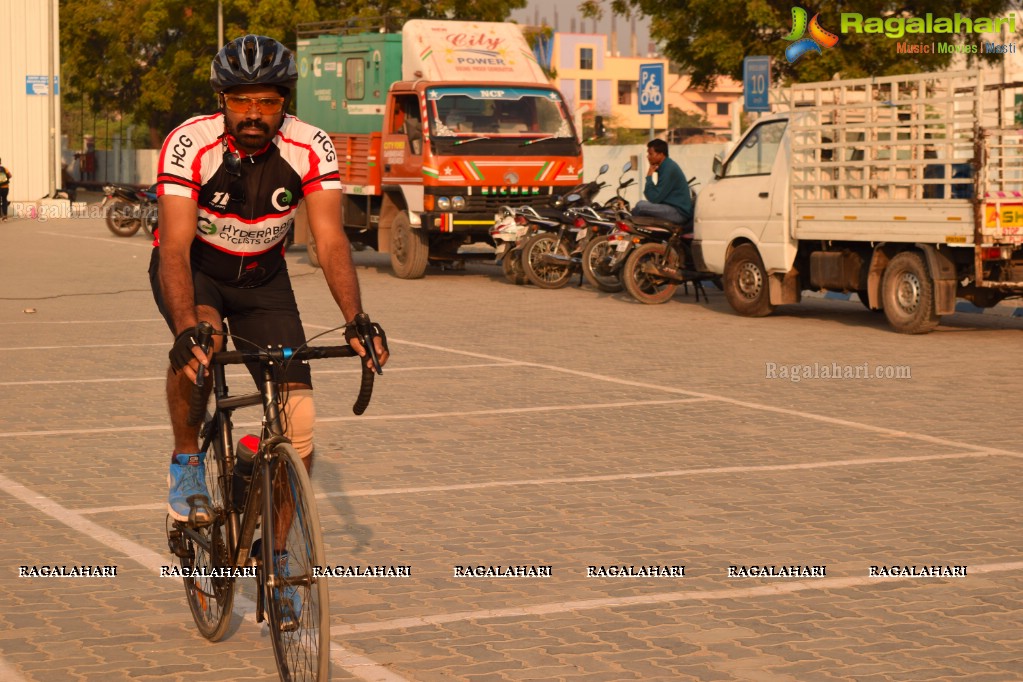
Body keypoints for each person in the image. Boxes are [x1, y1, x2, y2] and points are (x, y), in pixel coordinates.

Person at [150, 35, 389, 528]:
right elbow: (173, 247)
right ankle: (187, 459)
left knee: (298, 424)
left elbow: (330, 240)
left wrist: (354, 319)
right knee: (202, 347)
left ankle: (279, 564)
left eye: (267, 101)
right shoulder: (190, 142)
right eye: (241, 100)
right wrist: (183, 325)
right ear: (222, 101)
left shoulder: (310, 145)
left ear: (285, 103)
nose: (253, 113)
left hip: (264, 280)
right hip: (200, 272)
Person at [632, 138, 692, 226]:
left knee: (640, 206)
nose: (648, 157)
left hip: (678, 213)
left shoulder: (668, 168)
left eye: (650, 154)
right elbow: (653, 196)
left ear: (661, 154)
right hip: (671, 208)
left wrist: (649, 176)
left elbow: (654, 198)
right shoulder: (665, 166)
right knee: (638, 207)